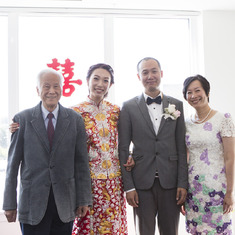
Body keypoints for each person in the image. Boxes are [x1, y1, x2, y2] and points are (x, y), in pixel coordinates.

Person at [3, 68, 92, 235]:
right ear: (38, 90)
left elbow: (81, 164)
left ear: (62, 89)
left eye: (56, 86)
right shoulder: (22, 119)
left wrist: (84, 199)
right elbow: (12, 165)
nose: (52, 91)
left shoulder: (75, 120)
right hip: (32, 203)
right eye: (46, 86)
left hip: (65, 204)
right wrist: (9, 203)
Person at [118, 57, 188, 235]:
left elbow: (181, 147)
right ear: (138, 76)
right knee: (144, 232)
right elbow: (123, 148)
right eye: (145, 72)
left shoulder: (176, 104)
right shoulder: (128, 107)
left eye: (154, 71)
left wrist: (182, 183)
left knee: (170, 231)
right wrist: (129, 187)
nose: (150, 76)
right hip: (141, 183)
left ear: (161, 74)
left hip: (171, 182)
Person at [71, 63, 131, 234]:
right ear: (87, 81)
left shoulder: (116, 111)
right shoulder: (75, 112)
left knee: (113, 227)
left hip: (114, 182)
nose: (100, 84)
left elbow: (127, 140)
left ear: (110, 85)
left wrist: (131, 155)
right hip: (88, 182)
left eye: (106, 80)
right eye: (96, 78)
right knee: (88, 227)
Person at [182, 74, 235, 234]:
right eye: (189, 92)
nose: (193, 96)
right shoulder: (186, 123)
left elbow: (230, 158)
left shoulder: (223, 119)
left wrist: (230, 193)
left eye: (197, 90)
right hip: (194, 189)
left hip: (217, 190)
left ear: (207, 92)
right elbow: (185, 158)